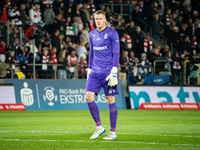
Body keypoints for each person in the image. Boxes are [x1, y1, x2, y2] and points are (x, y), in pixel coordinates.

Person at [85, 10, 119, 140]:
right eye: (96, 19)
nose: (98, 21)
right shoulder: (92, 34)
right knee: (88, 97)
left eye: (100, 18)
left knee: (110, 99)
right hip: (95, 72)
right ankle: (99, 127)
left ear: (105, 20)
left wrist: (114, 71)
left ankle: (113, 132)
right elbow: (91, 53)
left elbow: (116, 53)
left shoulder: (112, 33)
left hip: (108, 73)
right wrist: (89, 70)